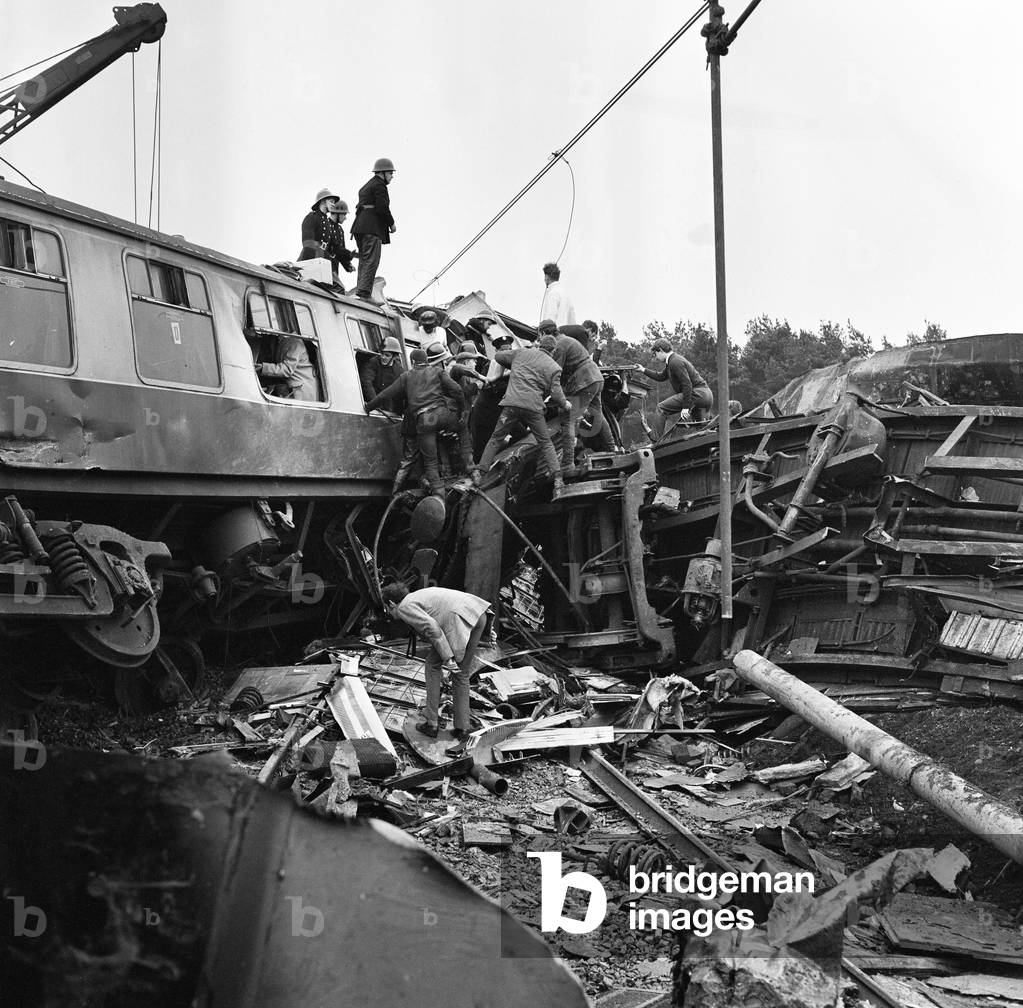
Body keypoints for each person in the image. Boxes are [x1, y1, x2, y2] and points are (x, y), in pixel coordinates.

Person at [381, 582, 491, 755]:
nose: (389, 613)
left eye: (387, 609)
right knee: (462, 675)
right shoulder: (419, 596)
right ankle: (463, 728)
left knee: (432, 666)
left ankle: (431, 724)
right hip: (478, 615)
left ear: (391, 603)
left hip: (460, 620)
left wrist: (447, 657)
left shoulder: (404, 606)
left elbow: (432, 628)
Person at [365, 344, 469, 497]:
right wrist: (462, 411)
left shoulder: (406, 376)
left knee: (430, 462)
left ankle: (438, 493)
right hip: (441, 413)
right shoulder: (438, 371)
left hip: (425, 419)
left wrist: (369, 407)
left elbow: (385, 394)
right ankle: (471, 467)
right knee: (462, 427)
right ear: (426, 360)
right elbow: (457, 390)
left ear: (413, 362)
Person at [478, 332, 570, 496]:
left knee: (496, 438)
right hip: (533, 409)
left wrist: (514, 365)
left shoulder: (521, 353)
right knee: (545, 443)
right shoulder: (555, 368)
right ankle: (558, 479)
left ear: (540, 345)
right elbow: (556, 394)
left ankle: (480, 474)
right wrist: (565, 404)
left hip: (511, 405)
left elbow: (498, 357)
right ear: (553, 351)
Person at [542, 319, 604, 474]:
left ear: (543, 333)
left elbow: (554, 373)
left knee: (567, 417)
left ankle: (567, 463)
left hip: (585, 381)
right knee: (597, 416)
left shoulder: (558, 345)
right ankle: (611, 450)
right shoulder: (567, 340)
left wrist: (542, 396)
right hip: (596, 378)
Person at [642, 337, 713, 434]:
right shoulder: (672, 361)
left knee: (661, 408)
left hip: (698, 394)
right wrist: (643, 370)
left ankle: (656, 439)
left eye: (655, 354)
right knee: (702, 431)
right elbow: (661, 377)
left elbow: (687, 384)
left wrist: (685, 407)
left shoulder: (675, 362)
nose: (656, 358)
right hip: (706, 395)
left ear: (661, 350)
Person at [351, 158, 396, 301]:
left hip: (359, 227)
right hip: (371, 228)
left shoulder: (366, 186)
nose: (392, 176)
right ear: (382, 173)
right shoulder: (380, 186)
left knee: (364, 260)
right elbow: (383, 208)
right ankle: (364, 293)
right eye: (390, 173)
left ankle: (361, 291)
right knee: (372, 260)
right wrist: (391, 223)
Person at [471, 331, 515, 460]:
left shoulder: (514, 366)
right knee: (481, 445)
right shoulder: (490, 365)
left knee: (521, 434)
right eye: (503, 350)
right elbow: (489, 387)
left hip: (504, 413)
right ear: (497, 351)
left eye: (510, 349)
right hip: (487, 413)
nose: (507, 353)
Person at [298, 188, 346, 276]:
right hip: (311, 258)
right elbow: (308, 244)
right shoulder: (311, 217)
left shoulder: (327, 222)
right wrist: (309, 265)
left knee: (335, 282)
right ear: (323, 202)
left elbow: (334, 247)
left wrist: (349, 255)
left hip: (324, 259)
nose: (333, 204)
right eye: (331, 202)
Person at [255, 335, 318, 401]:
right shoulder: (283, 340)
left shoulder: (295, 342)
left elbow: (287, 369)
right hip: (293, 386)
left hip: (300, 389)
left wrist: (263, 367)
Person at [358, 335, 404, 401]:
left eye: (387, 355)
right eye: (382, 353)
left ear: (394, 357)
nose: (383, 357)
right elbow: (366, 381)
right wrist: (375, 402)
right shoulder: (373, 362)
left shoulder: (399, 370)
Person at [539, 262, 576, 326]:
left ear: (547, 277)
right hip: (566, 332)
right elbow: (573, 322)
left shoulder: (552, 294)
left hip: (553, 331)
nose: (544, 279)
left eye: (545, 276)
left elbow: (549, 321)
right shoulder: (566, 294)